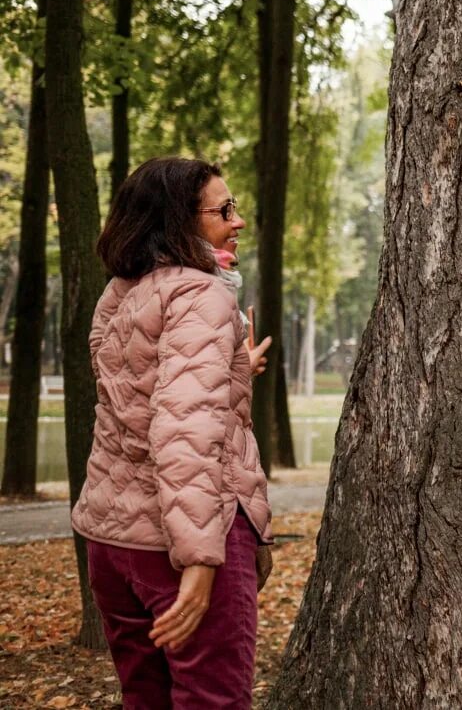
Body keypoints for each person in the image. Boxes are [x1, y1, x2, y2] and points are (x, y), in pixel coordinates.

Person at [71, 157, 275, 709]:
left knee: (147, 700)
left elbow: (138, 395)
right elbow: (183, 429)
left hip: (112, 541)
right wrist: (201, 558)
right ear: (180, 221)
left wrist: (234, 366)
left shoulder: (119, 294)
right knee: (212, 701)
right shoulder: (203, 296)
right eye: (224, 210)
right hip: (179, 540)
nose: (238, 221)